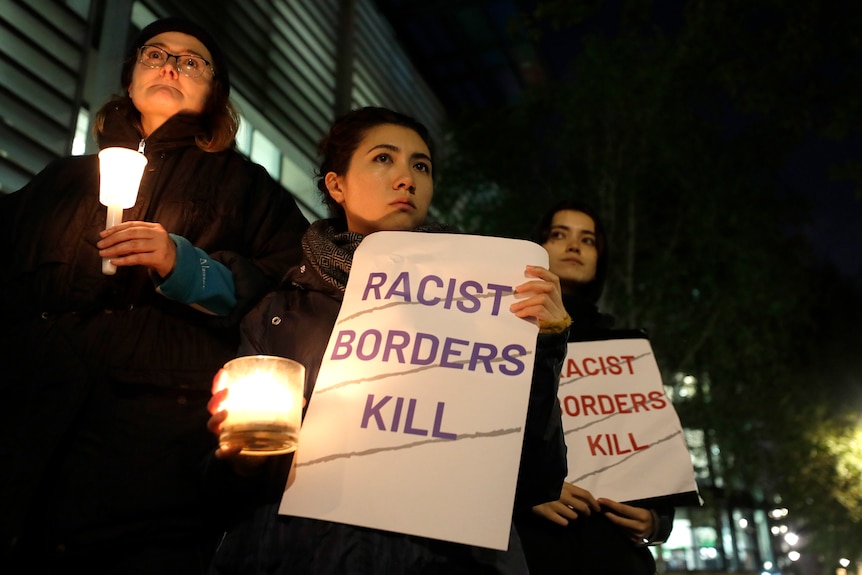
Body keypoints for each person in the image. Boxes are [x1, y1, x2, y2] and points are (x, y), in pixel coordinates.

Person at [0, 16, 309, 574]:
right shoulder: (65, 178)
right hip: (27, 424)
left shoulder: (247, 187)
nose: (170, 65)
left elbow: (288, 281)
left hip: (152, 450)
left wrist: (190, 266)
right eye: (155, 53)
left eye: (192, 61)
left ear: (215, 91)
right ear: (131, 74)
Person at [203, 106, 570, 574]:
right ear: (337, 185)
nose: (406, 178)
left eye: (421, 166)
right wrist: (242, 458)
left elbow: (537, 476)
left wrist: (544, 346)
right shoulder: (280, 314)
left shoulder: (489, 304)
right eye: (383, 159)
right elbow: (222, 487)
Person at [513, 199, 674, 574]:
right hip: (534, 549)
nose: (573, 246)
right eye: (559, 235)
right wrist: (526, 492)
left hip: (615, 553)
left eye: (588, 240)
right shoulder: (502, 337)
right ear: (537, 247)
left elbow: (652, 444)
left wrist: (656, 520)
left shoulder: (626, 350)